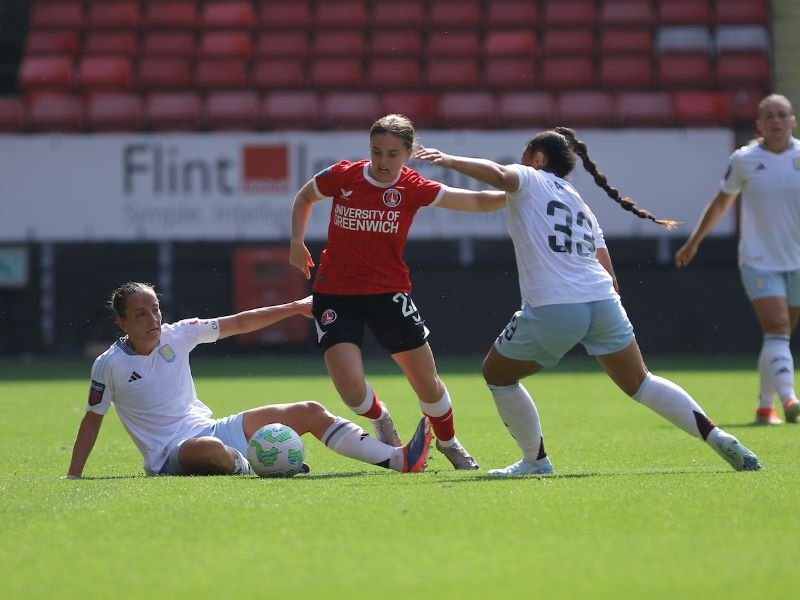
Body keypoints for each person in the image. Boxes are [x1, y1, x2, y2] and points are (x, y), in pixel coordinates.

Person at [414, 127, 762, 475]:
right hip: (603, 301)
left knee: (497, 374)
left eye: (525, 156)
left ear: (537, 159)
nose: (521, 163)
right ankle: (716, 436)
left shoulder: (530, 177)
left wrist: (448, 159)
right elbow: (609, 274)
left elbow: (499, 173)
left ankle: (535, 462)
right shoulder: (578, 202)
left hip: (556, 305)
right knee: (641, 382)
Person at [289, 113, 506, 470]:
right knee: (348, 385)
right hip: (335, 292)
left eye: (392, 154)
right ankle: (380, 417)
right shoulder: (344, 175)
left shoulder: (413, 187)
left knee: (426, 383)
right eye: (376, 152)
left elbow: (478, 201)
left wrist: (520, 194)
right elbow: (304, 197)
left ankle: (449, 442)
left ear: (408, 153)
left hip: (387, 292)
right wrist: (297, 242)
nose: (382, 161)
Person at [64, 282, 432, 479]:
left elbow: (240, 321)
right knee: (208, 452)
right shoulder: (108, 365)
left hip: (211, 428)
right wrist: (74, 476)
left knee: (308, 411)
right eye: (141, 314)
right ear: (122, 323)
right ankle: (259, 464)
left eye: (155, 309)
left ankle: (400, 460)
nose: (152, 319)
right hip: (171, 455)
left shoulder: (179, 334)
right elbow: (92, 420)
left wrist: (294, 308)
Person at [675, 94, 800, 426]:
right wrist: (694, 241)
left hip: (797, 261)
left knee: (779, 338)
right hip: (759, 259)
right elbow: (720, 204)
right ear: (759, 125)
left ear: (793, 121)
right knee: (777, 328)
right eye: (769, 116)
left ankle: (764, 408)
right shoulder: (744, 160)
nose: (776, 121)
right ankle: (790, 399)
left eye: (782, 115)